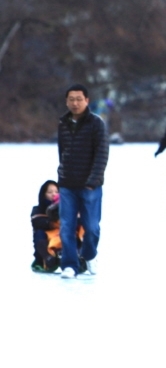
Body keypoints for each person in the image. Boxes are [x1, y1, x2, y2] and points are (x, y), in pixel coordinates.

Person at [57, 83, 109, 279]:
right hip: (67, 184)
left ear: (87, 100)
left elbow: (102, 154)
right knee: (66, 227)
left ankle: (89, 254)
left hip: (90, 185)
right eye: (71, 99)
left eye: (79, 99)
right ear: (66, 101)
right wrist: (61, 175)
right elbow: (62, 152)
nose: (75, 103)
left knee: (92, 227)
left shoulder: (96, 124)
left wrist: (93, 180)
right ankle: (70, 265)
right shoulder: (63, 123)